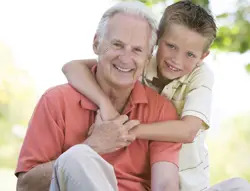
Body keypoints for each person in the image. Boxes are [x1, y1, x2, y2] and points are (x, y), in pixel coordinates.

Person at [62, 1, 250, 191]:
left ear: (203, 56)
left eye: (190, 54)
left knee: (240, 186)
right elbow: (71, 67)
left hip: (189, 184)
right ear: (157, 39)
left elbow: (188, 131)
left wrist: (127, 130)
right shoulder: (139, 62)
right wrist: (105, 105)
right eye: (171, 46)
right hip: (148, 180)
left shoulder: (200, 76)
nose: (176, 60)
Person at [15, 2, 182, 191]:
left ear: (148, 57)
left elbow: (166, 185)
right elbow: (25, 186)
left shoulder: (161, 110)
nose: (125, 58)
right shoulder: (56, 101)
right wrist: (93, 145)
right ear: (96, 44)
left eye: (137, 50)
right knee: (77, 156)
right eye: (117, 45)